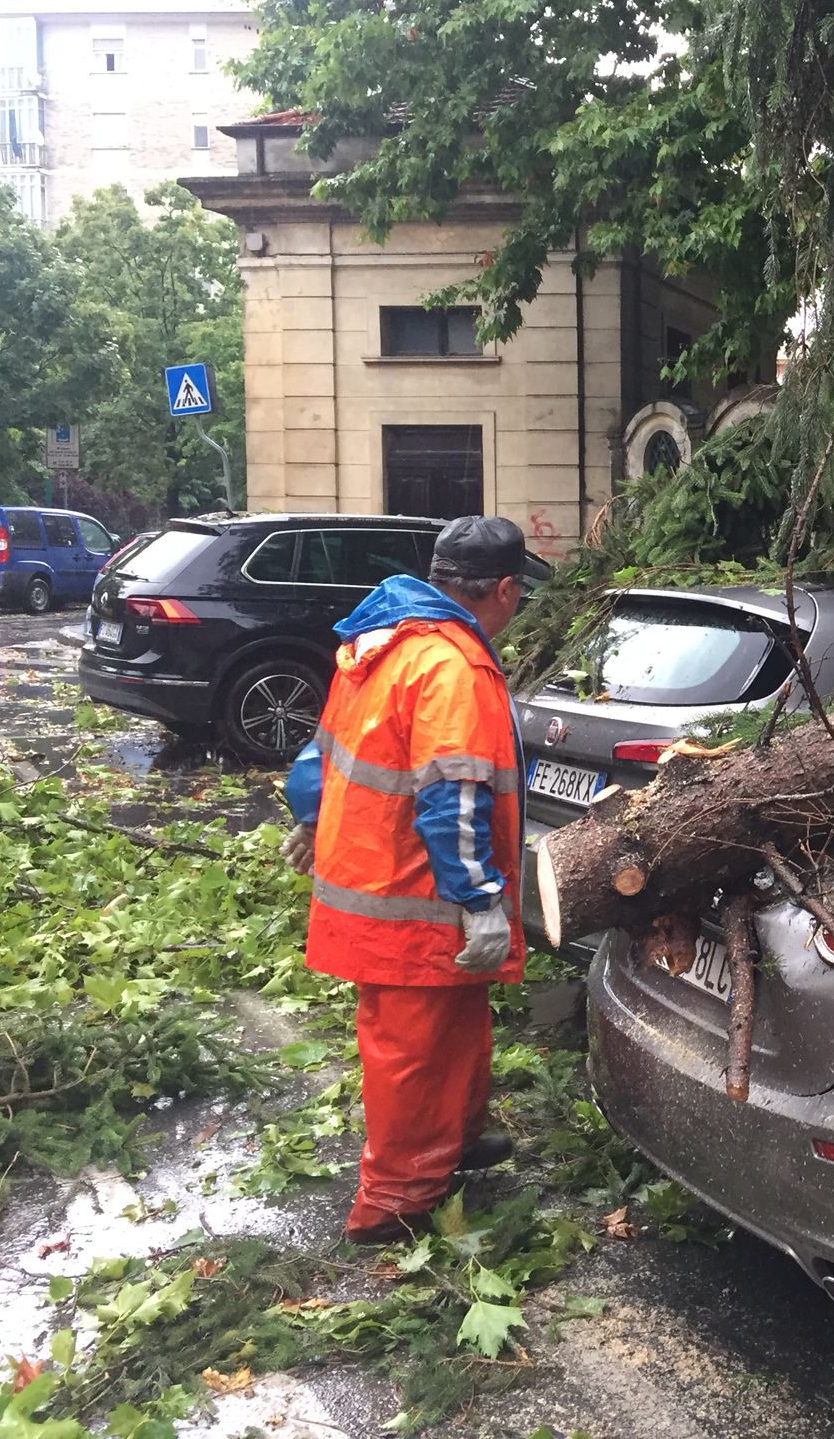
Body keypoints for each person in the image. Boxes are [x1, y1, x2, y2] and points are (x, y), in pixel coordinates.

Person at [280, 516, 552, 1245]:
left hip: (381, 875)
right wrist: (481, 900)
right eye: (519, 593)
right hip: (414, 898)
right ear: (502, 589)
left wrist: (310, 818)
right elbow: (452, 796)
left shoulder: (384, 644)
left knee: (457, 1025)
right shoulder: (453, 667)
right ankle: (392, 1205)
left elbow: (322, 750)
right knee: (412, 1049)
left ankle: (456, 1143)